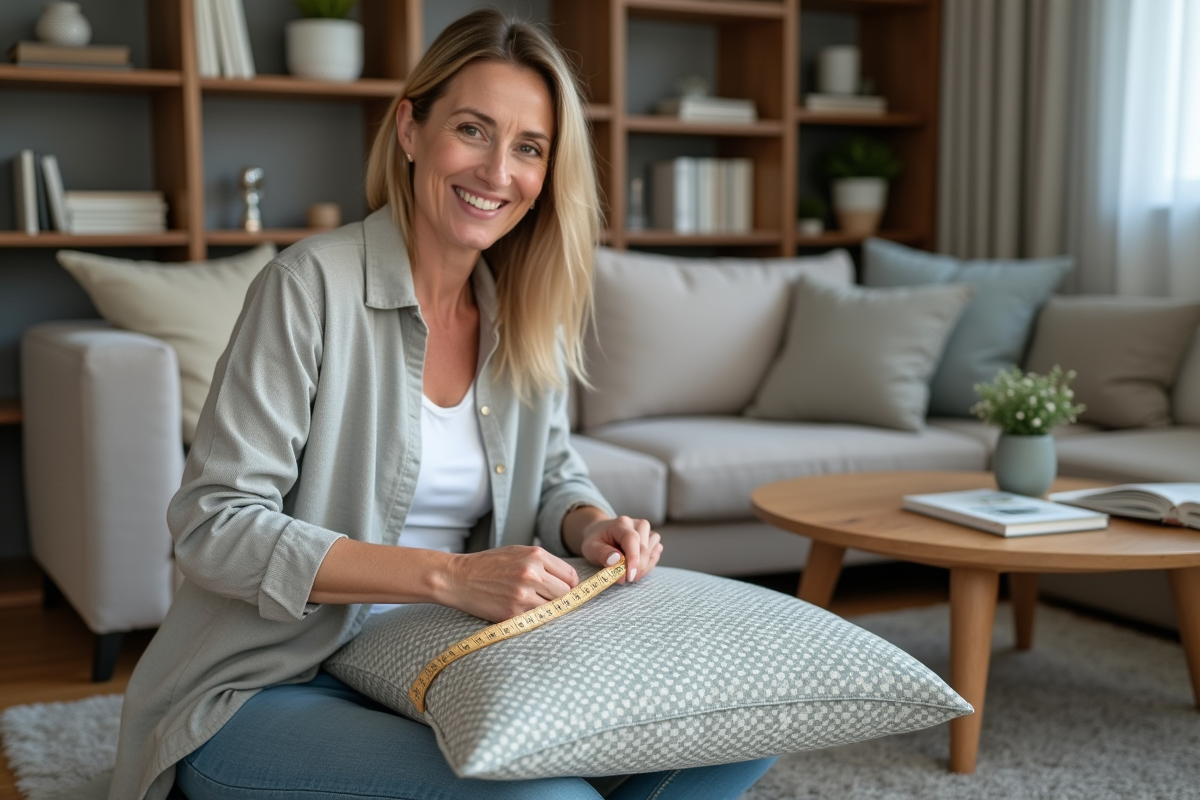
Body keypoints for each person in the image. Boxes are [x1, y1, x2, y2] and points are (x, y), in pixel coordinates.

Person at [108, 10, 776, 800]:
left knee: (744, 725)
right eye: (472, 130)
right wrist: (451, 577)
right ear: (410, 129)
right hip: (267, 684)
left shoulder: (522, 310)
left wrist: (588, 524)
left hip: (441, 664)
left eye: (529, 148)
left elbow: (553, 471)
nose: (497, 171)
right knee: (545, 798)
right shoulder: (307, 287)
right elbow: (214, 526)